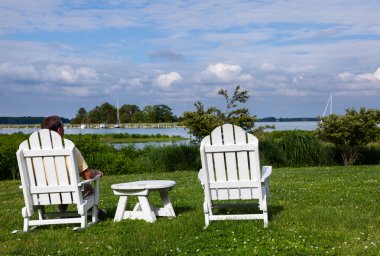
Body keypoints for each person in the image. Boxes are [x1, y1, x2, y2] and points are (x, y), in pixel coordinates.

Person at [41, 115, 105, 214]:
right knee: (87, 188)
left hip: (42, 194)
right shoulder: (70, 149)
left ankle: (61, 212)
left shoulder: (32, 152)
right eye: (63, 127)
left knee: (64, 183)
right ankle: (95, 212)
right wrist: (96, 172)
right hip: (69, 192)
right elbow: (88, 176)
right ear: (59, 130)